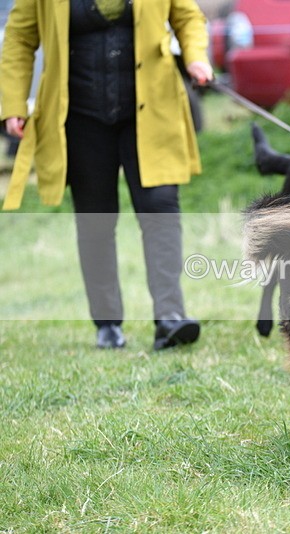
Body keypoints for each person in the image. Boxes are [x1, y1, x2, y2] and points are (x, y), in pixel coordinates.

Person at [0, 0, 213, 350]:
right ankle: (107, 323)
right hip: (81, 117)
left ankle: (170, 316)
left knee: (160, 206)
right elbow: (20, 37)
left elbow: (188, 16)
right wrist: (14, 103)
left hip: (151, 111)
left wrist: (195, 56)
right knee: (95, 219)